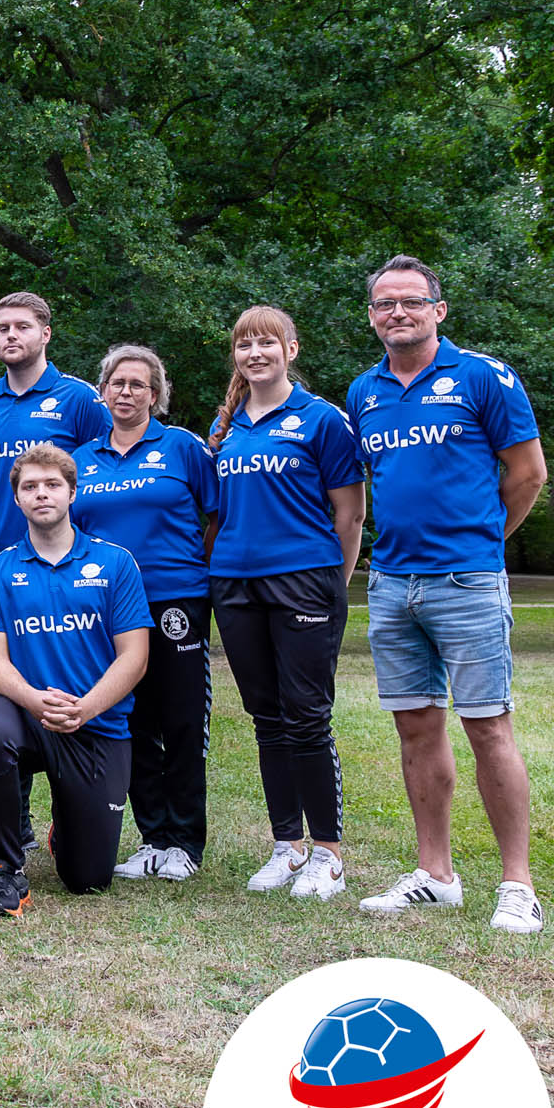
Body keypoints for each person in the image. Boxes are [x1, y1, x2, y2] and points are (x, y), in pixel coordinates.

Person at [346, 255, 548, 933]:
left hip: (466, 580)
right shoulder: (364, 391)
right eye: (385, 304)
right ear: (372, 316)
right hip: (391, 583)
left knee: (488, 725)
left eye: (411, 301)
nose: (397, 312)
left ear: (438, 309)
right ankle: (436, 875)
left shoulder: (484, 376)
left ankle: (517, 886)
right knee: (416, 726)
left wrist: (483, 540)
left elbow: (527, 474)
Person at [208, 306, 365, 902]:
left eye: (266, 343)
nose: (255, 353)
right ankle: (287, 845)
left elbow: (350, 513)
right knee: (266, 718)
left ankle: (327, 853)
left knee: (306, 717)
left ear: (290, 350)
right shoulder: (225, 427)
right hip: (235, 584)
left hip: (304, 581)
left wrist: (331, 583)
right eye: (245, 344)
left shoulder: (322, 419)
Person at [0, 444, 150, 916]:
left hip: (96, 723)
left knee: (88, 879)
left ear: (72, 492)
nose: (41, 494)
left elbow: (134, 657)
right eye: (30, 486)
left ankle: (68, 824)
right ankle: (7, 869)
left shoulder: (115, 563)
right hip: (28, 717)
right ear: (17, 499)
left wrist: (85, 708)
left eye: (52, 484)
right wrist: (34, 700)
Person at [71, 345, 218, 882]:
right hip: (108, 606)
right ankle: (153, 837)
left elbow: (217, 516)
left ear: (155, 395)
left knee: (180, 719)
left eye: (138, 384)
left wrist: (191, 568)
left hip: (174, 598)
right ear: (103, 392)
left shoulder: (182, 447)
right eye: (117, 383)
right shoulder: (81, 459)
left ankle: (184, 841)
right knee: (129, 719)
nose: (126, 392)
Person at [0, 292, 109, 568]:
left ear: (46, 334)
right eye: (3, 328)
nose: (11, 335)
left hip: (63, 561)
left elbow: (103, 478)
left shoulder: (80, 398)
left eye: (23, 327)